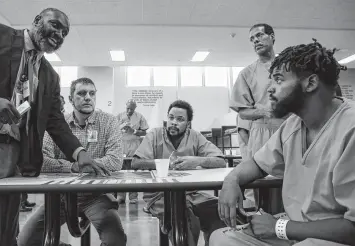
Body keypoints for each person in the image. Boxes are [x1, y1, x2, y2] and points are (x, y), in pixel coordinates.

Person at [210, 40, 355, 246]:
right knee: (222, 239)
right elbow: (258, 164)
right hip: (296, 230)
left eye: (278, 80)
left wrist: (280, 227)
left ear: (310, 83)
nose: (270, 89)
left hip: (332, 238)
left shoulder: (350, 128)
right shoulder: (294, 124)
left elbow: (352, 228)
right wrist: (232, 180)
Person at [0, 9, 104, 246]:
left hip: (14, 153)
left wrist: (80, 153)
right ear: (37, 21)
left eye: (64, 33)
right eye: (55, 25)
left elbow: (55, 121)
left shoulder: (49, 75)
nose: (59, 34)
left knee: (5, 226)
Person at [18, 78, 127, 246]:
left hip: (97, 196)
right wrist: (74, 167)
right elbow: (43, 161)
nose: (88, 97)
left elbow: (115, 160)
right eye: (81, 93)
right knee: (27, 241)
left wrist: (81, 166)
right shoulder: (57, 126)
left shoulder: (109, 122)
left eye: (92, 93)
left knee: (116, 240)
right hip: (61, 196)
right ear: (70, 99)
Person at [132, 100, 227, 246]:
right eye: (171, 117)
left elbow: (220, 160)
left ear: (188, 124)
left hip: (191, 193)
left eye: (180, 119)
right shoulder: (155, 135)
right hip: (160, 195)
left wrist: (197, 161)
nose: (173, 122)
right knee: (185, 219)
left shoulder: (195, 136)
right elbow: (136, 163)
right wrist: (164, 163)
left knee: (220, 211)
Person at [230, 23, 288, 206]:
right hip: (261, 130)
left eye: (259, 35)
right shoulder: (247, 73)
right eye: (252, 39)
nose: (255, 40)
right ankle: (263, 219)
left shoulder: (289, 66)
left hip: (289, 127)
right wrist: (264, 111)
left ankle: (294, 225)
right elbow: (242, 112)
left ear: (272, 37)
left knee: (293, 176)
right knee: (261, 180)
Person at [116, 99, 149, 204]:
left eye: (131, 109)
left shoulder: (140, 117)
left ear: (135, 108)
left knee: (133, 171)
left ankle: (133, 196)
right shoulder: (119, 116)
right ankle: (120, 196)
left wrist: (133, 131)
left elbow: (144, 132)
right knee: (120, 171)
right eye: (127, 108)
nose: (129, 110)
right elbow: (112, 130)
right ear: (125, 106)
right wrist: (121, 128)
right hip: (122, 145)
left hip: (134, 146)